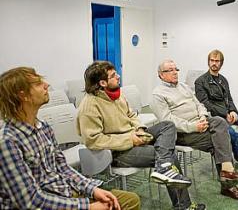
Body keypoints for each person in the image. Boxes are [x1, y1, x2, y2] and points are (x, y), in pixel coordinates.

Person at [0, 67, 140, 210]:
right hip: (45, 203)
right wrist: (87, 207)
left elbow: (63, 168)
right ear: (22, 95)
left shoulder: (43, 127)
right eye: (37, 84)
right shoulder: (8, 142)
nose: (46, 85)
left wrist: (92, 189)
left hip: (63, 191)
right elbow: (30, 201)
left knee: (129, 200)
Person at [76, 61, 204, 210]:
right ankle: (184, 205)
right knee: (171, 155)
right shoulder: (89, 105)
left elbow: (131, 115)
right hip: (116, 152)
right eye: (113, 75)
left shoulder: (116, 95)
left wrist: (140, 129)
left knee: (167, 125)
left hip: (133, 137)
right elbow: (93, 141)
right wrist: (129, 140)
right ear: (102, 83)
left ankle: (163, 167)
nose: (118, 76)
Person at [151, 59, 238, 200]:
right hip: (182, 133)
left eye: (176, 69)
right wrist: (193, 126)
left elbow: (199, 104)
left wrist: (203, 116)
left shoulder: (184, 87)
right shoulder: (158, 94)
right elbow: (167, 121)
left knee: (220, 122)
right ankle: (228, 184)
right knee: (219, 140)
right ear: (160, 75)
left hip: (199, 122)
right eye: (170, 70)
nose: (175, 72)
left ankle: (227, 172)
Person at [194, 50, 238, 163]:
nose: (214, 63)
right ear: (208, 62)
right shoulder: (200, 82)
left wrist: (233, 111)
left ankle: (232, 141)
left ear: (221, 63)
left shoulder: (223, 80)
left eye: (217, 61)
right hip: (215, 117)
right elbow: (205, 104)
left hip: (229, 113)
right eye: (212, 60)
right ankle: (237, 150)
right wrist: (224, 114)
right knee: (230, 132)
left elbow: (229, 98)